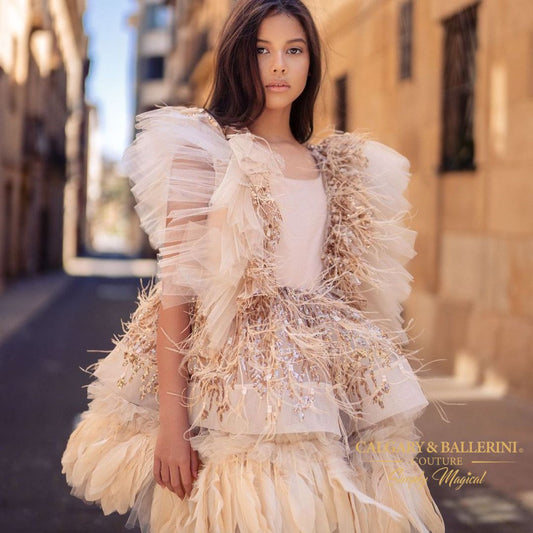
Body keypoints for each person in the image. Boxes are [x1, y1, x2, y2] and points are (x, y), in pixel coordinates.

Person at [61, 0, 447, 531]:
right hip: (234, 389)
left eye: (294, 50)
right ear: (240, 58)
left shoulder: (334, 167)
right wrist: (173, 426)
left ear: (310, 63)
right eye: (263, 50)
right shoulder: (206, 152)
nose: (279, 66)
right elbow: (176, 294)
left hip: (322, 386)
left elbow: (349, 293)